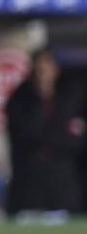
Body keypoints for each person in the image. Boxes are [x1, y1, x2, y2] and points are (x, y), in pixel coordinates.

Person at [6, 49, 85, 215]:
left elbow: (75, 140)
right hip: (29, 181)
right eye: (38, 69)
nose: (42, 74)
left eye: (46, 68)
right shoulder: (20, 99)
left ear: (55, 70)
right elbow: (27, 134)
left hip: (62, 182)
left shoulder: (69, 97)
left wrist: (52, 139)